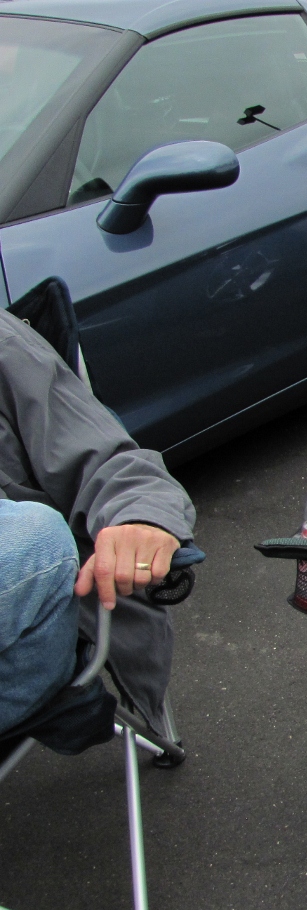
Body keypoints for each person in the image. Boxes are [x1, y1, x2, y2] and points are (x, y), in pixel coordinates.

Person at [0, 304, 195, 738]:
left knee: (41, 538)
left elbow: (109, 461)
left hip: (24, 638)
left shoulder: (6, 346)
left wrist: (143, 517)